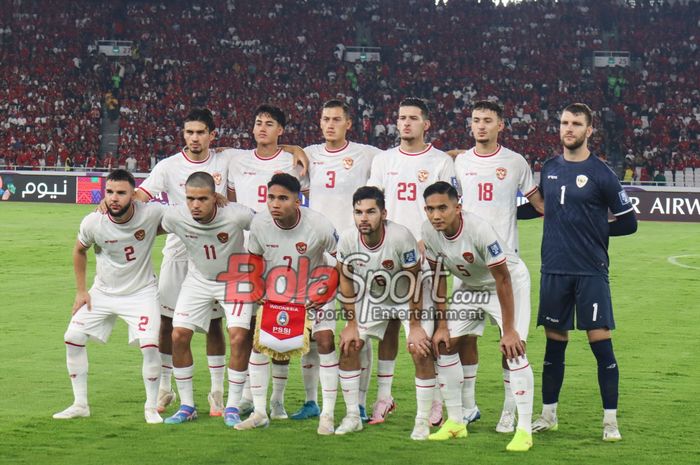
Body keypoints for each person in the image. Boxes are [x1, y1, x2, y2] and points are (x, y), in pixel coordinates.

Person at [532, 103, 637, 442]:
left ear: (590, 130)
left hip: (590, 271)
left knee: (601, 345)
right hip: (554, 270)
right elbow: (538, 209)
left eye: (576, 124)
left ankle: (610, 422)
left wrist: (596, 231)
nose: (569, 129)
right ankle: (548, 415)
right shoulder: (549, 168)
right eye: (564, 122)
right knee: (554, 347)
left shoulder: (602, 173)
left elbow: (629, 222)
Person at [451, 100, 544, 433]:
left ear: (501, 125)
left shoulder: (516, 162)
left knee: (512, 342)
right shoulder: (460, 162)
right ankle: (468, 406)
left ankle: (509, 409)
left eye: (488, 121)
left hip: (504, 264)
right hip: (467, 267)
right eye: (476, 120)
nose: (481, 126)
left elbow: (539, 203)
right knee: (459, 339)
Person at [421, 181, 534, 452]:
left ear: (457, 207)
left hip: (507, 283)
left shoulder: (478, 229)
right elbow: (438, 277)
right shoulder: (428, 230)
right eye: (430, 209)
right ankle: (456, 421)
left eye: (442, 208)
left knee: (514, 349)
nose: (436, 215)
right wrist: (442, 326)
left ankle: (524, 430)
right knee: (444, 344)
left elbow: (503, 278)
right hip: (471, 287)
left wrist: (508, 330)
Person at [136, 108, 233, 417]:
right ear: (184, 134)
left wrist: (296, 149)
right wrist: (120, 206)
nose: (194, 137)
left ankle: (217, 391)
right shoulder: (169, 166)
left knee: (216, 323)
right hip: (178, 253)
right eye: (189, 132)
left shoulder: (225, 160)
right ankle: (166, 386)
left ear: (212, 135)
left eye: (200, 132)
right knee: (168, 321)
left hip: (216, 254)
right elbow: (142, 193)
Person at [366, 97, 456, 425]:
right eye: (402, 117)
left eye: (413, 118)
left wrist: (428, 237)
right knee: (386, 330)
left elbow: (449, 207)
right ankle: (384, 397)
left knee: (423, 338)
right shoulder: (383, 160)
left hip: (425, 261)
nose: (405, 123)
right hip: (385, 260)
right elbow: (372, 206)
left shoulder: (441, 162)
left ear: (426, 123)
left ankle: (433, 403)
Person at [292, 99, 381, 423]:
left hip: (356, 253)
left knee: (360, 330)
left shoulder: (367, 155)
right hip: (317, 254)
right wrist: (292, 146)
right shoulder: (309, 155)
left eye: (336, 119)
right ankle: (311, 401)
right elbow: (282, 158)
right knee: (317, 330)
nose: (330, 124)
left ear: (349, 123)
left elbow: (403, 161)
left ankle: (358, 402)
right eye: (325, 118)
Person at [53, 169, 165, 424]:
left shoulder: (152, 213)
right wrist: (82, 291)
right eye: (110, 192)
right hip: (102, 292)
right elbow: (79, 251)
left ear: (134, 195)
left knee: (149, 346)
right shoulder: (93, 221)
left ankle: (151, 407)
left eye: (121, 193)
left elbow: (185, 218)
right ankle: (80, 404)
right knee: (72, 338)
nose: (114, 198)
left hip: (141, 293)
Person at [236, 173, 339, 435]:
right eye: (271, 197)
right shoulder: (259, 223)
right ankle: (261, 412)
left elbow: (341, 260)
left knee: (325, 341)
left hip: (314, 293)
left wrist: (323, 292)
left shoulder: (319, 225)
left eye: (283, 198)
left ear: (298, 200)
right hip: (277, 295)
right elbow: (255, 257)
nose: (275, 203)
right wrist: (256, 285)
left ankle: (326, 414)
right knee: (262, 346)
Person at [226, 104, 310, 419]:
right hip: (244, 255)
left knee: (280, 328)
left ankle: (276, 400)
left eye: (269, 124)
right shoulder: (237, 160)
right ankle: (248, 395)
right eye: (258, 122)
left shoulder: (294, 162)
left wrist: (295, 148)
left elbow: (303, 204)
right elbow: (233, 204)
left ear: (280, 130)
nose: (262, 128)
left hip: (282, 257)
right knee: (245, 328)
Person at [335, 186, 435, 439]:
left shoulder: (400, 236)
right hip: (376, 296)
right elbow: (344, 278)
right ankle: (352, 417)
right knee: (349, 345)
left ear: (384, 213)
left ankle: (422, 420)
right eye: (358, 212)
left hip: (409, 296)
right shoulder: (347, 239)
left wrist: (414, 327)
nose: (364, 218)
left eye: (370, 212)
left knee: (419, 348)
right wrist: (350, 323)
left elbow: (413, 279)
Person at [160, 172, 255, 426]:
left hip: (236, 280)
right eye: (191, 198)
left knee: (238, 336)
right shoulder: (175, 215)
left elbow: (266, 230)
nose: (195, 205)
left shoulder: (236, 214)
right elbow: (144, 227)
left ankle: (232, 405)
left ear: (215, 197)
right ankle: (187, 405)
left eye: (202, 199)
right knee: (178, 335)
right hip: (198, 281)